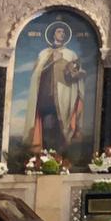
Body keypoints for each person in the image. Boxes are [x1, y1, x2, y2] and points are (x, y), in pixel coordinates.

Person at [27, 21, 84, 152]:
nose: (62, 34)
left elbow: (76, 75)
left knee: (60, 124)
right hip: (46, 95)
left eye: (63, 32)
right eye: (59, 31)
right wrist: (52, 60)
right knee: (47, 123)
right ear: (53, 34)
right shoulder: (44, 53)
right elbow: (36, 73)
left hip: (64, 94)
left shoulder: (70, 54)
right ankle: (44, 152)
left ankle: (60, 154)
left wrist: (73, 71)